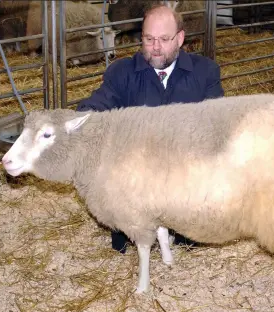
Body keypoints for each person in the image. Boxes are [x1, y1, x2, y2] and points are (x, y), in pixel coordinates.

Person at [77, 4, 224, 253]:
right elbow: (99, 103)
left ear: (180, 38)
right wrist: (77, 121)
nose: (155, 47)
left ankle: (185, 226)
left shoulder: (205, 72)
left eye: (164, 40)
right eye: (148, 39)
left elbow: (217, 123)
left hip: (184, 176)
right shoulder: (122, 72)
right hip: (138, 179)